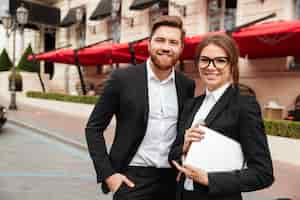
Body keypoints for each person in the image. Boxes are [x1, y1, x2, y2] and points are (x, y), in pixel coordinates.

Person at [85, 15, 195, 200]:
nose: (166, 47)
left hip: (172, 180)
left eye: (173, 42)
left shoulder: (187, 86)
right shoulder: (122, 79)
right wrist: (108, 175)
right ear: (149, 44)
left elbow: (183, 131)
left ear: (181, 48)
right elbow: (93, 129)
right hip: (132, 179)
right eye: (160, 40)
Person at [169, 34, 274, 200]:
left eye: (220, 60)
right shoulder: (191, 105)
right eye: (205, 60)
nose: (211, 67)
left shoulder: (244, 105)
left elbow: (263, 173)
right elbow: (173, 154)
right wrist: (184, 146)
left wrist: (210, 179)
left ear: (232, 65)